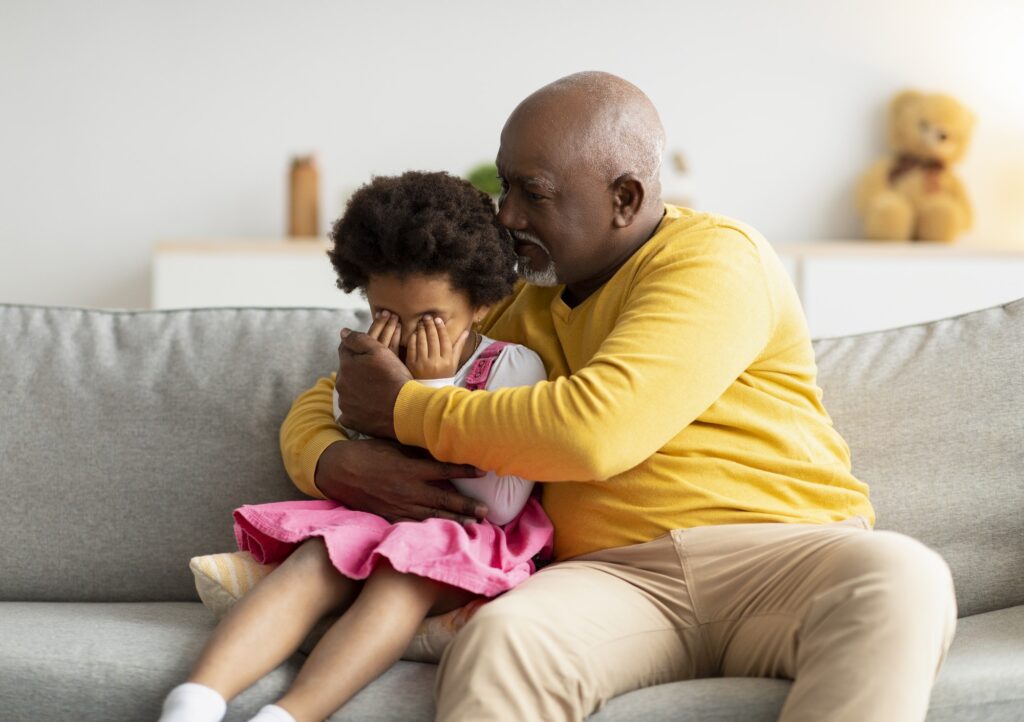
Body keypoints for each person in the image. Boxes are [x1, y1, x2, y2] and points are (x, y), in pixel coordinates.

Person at [282, 72, 958, 722]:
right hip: (610, 582)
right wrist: (330, 463)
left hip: (780, 556)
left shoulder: (716, 260)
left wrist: (406, 411)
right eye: (505, 186)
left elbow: (593, 431)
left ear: (624, 199)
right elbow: (342, 389)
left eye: (533, 194)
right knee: (505, 639)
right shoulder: (516, 297)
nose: (508, 214)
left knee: (904, 578)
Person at [158, 171, 552, 722]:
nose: (411, 336)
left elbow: (499, 502)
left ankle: (287, 716)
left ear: (482, 304)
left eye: (433, 320)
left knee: (402, 579)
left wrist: (429, 393)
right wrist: (378, 381)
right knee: (316, 561)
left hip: (464, 535)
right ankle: (193, 702)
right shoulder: (370, 359)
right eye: (387, 316)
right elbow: (348, 426)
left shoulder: (512, 366)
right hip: (374, 517)